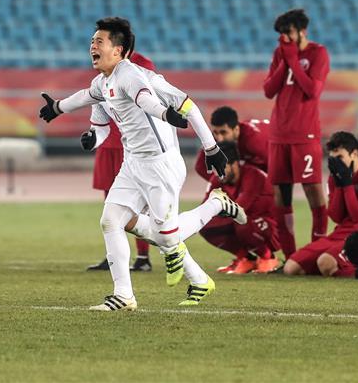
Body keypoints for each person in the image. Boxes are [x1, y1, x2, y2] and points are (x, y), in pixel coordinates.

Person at [38, 17, 230, 310]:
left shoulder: (130, 74)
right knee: (111, 220)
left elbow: (147, 102)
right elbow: (88, 100)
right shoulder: (102, 82)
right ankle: (124, 295)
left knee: (168, 238)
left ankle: (215, 204)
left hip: (160, 165)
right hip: (133, 164)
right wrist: (59, 109)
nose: (92, 46)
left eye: (99, 41)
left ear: (118, 50)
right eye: (92, 41)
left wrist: (208, 146)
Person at [263, 9, 330, 258]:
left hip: (305, 135)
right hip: (278, 134)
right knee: (281, 196)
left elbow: (312, 90)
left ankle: (315, 253)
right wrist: (285, 60)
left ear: (303, 31)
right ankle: (291, 257)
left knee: (313, 191)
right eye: (282, 33)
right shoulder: (280, 53)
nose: (285, 38)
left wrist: (292, 60)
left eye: (289, 32)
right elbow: (269, 90)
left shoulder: (318, 53)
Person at [85, 50, 157, 273]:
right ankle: (114, 256)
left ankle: (144, 256)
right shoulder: (105, 62)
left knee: (138, 203)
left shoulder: (140, 62)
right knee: (110, 202)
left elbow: (146, 93)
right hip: (107, 143)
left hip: (131, 144)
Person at [283, 132, 358, 279]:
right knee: (290, 268)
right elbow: (336, 217)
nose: (337, 163)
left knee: (325, 262)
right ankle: (338, 266)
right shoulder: (335, 177)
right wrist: (339, 185)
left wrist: (347, 184)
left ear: (354, 154)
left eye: (340, 158)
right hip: (339, 234)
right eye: (333, 159)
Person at [199, 140, 280, 274]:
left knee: (240, 221)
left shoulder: (254, 176)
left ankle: (268, 257)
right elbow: (204, 210)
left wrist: (216, 215)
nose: (217, 173)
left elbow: (238, 210)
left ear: (235, 164)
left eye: (221, 167)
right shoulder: (217, 179)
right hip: (242, 223)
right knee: (204, 225)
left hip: (271, 229)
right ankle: (246, 258)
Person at [195, 106, 269, 182]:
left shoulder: (254, 140)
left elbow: (275, 165)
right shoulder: (215, 138)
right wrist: (222, 182)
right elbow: (200, 166)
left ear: (236, 129)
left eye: (223, 132)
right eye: (215, 133)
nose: (220, 139)